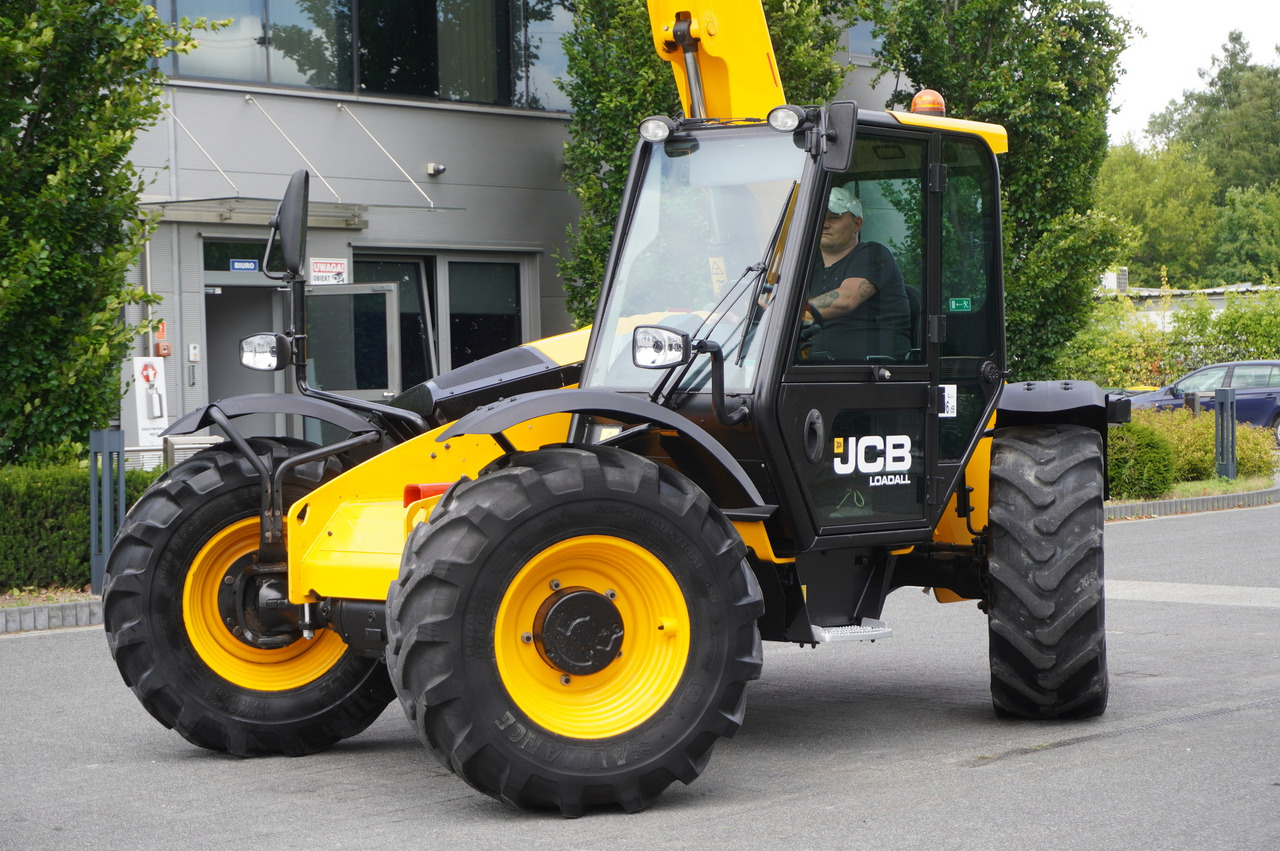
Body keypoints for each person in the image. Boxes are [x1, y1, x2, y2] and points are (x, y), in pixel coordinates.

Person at [801, 186, 912, 362]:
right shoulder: (808, 268)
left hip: (873, 377)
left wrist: (793, 313)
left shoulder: (873, 254)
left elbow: (846, 299)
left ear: (857, 224)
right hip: (815, 373)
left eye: (834, 218)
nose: (824, 224)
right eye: (819, 217)